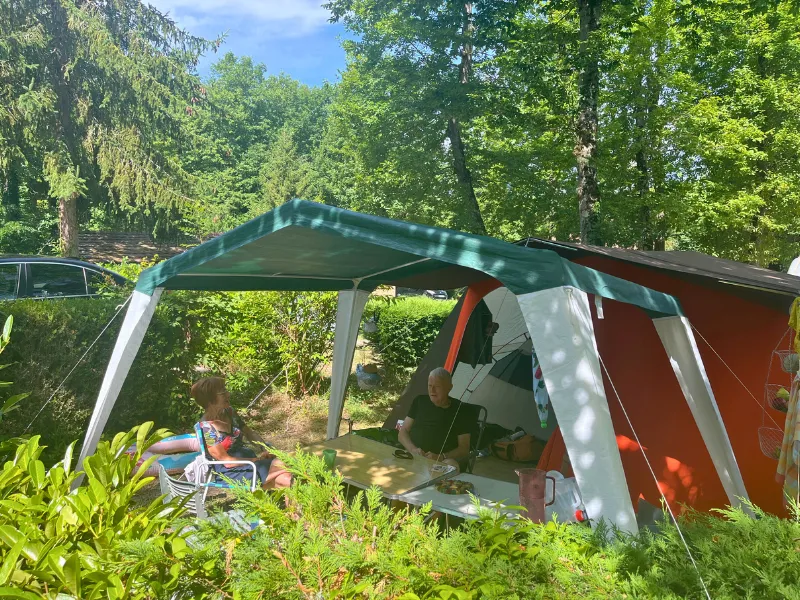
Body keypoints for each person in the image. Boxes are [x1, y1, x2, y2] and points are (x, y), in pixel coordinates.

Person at [192, 377, 291, 489]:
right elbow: (227, 461)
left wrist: (264, 449)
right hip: (231, 471)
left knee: (286, 479)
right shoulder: (206, 428)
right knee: (285, 465)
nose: (228, 394)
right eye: (223, 393)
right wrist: (258, 460)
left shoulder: (230, 412)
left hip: (248, 460)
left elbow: (249, 433)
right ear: (210, 400)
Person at [398, 367, 471, 473]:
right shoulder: (420, 401)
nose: (432, 391)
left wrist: (441, 457)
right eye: (430, 386)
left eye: (437, 386)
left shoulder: (461, 409)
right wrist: (413, 449)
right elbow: (403, 432)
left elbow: (464, 448)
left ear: (449, 388)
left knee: (451, 466)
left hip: (443, 461)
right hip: (414, 455)